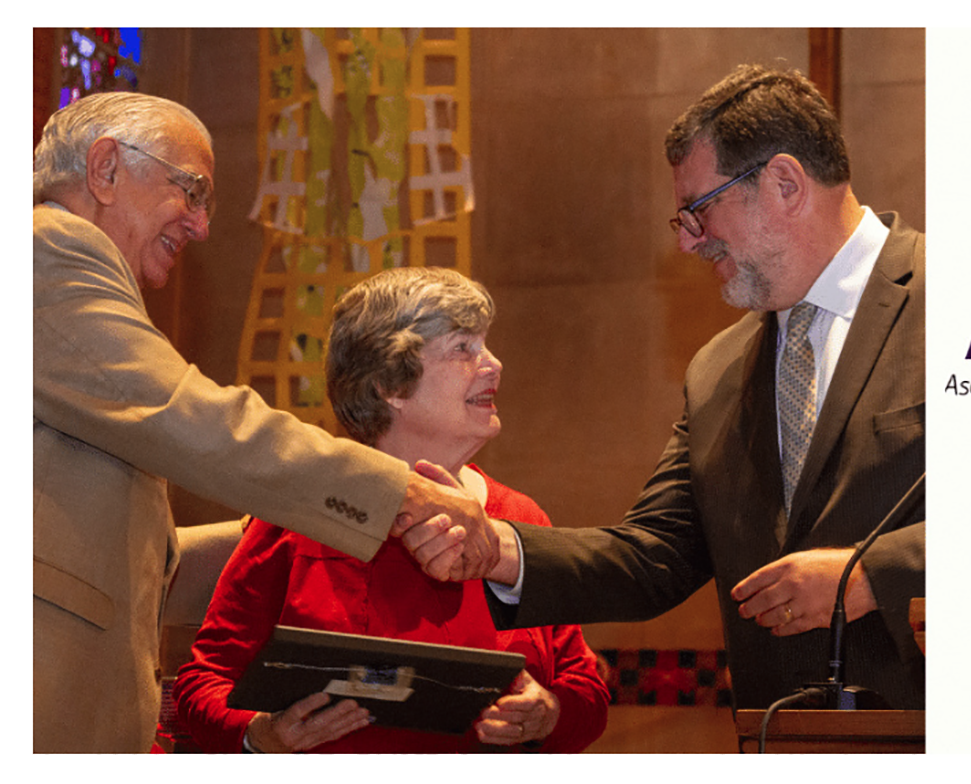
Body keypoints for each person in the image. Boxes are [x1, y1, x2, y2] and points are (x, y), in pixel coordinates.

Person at [406, 64, 925, 710]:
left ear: (785, 184)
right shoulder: (716, 372)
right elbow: (652, 558)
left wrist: (875, 576)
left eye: (699, 211)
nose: (687, 243)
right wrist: (497, 550)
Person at [33, 92, 500, 753]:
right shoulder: (45, 249)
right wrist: (396, 494)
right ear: (106, 167)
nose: (200, 225)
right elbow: (186, 416)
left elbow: (121, 558)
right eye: (189, 191)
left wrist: (274, 530)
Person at [172, 268, 608, 753]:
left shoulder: (518, 519)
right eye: (464, 348)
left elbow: (585, 688)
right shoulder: (300, 515)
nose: (495, 364)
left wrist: (548, 714)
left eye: (485, 345)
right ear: (389, 385)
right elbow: (202, 681)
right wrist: (261, 736)